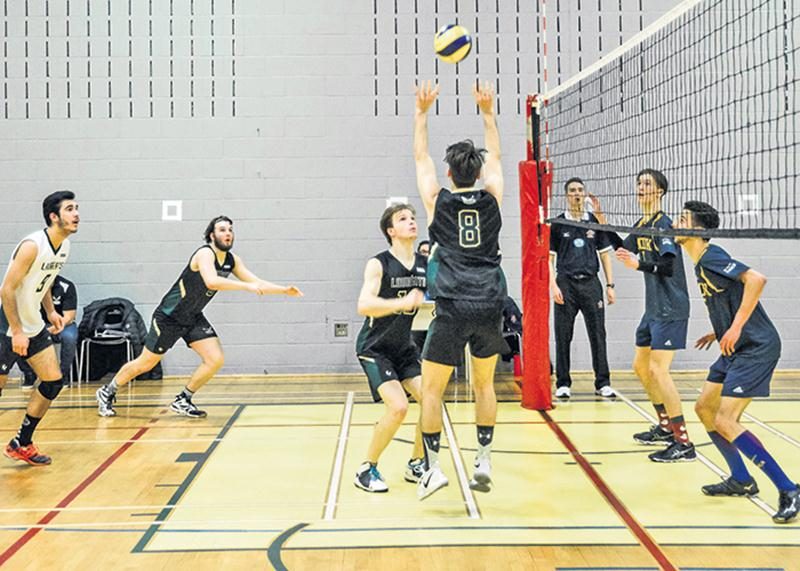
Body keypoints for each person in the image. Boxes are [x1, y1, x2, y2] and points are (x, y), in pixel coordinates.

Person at [95, 216, 303, 418]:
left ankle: (183, 398)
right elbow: (212, 282)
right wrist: (246, 286)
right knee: (145, 364)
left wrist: (283, 290)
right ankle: (108, 391)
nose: (228, 233)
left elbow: (256, 282)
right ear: (212, 235)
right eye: (222, 230)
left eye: (230, 230)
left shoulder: (232, 260)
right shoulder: (205, 254)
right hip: (169, 317)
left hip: (192, 317)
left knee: (215, 359)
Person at [413, 80, 508, 499]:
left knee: (432, 390)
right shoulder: (493, 198)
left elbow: (420, 157)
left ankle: (432, 469)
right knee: (484, 386)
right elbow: (499, 156)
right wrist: (487, 113)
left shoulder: (438, 199)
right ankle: (483, 460)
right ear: (479, 170)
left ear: (450, 172)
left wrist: (422, 111)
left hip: (451, 306)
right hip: (489, 303)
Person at [676, 201, 797, 524]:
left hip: (756, 347)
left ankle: (789, 488)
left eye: (683, 219)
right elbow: (729, 297)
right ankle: (741, 479)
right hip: (734, 347)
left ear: (697, 230)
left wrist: (736, 326)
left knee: (727, 420)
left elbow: (756, 279)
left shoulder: (712, 255)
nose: (676, 223)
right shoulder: (700, 263)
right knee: (704, 409)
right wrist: (720, 331)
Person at [600, 169, 696, 462]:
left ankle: (684, 442)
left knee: (658, 370)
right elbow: (621, 248)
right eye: (639, 183)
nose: (640, 188)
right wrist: (602, 222)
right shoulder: (643, 223)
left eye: (647, 184)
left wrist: (639, 265)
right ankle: (666, 426)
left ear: (660, 192)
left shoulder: (663, 225)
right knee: (641, 367)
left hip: (671, 308)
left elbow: (667, 265)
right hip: (653, 309)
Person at [0, 191, 79, 465]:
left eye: (76, 208)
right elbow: (6, 289)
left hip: (32, 323)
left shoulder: (64, 246)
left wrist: (50, 311)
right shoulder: (32, 245)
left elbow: (44, 280)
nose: (76, 214)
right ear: (53, 216)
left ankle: (21, 442)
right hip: (6, 325)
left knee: (52, 381)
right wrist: (16, 331)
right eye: (70, 209)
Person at [354, 203, 427, 493]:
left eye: (412, 217)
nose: (411, 222)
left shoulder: (423, 263)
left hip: (404, 347)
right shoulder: (379, 263)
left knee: (432, 403)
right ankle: (366, 468)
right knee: (398, 407)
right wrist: (400, 303)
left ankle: (417, 463)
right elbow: (363, 305)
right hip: (374, 347)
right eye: (403, 219)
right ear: (391, 230)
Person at [549, 178, 616, 399]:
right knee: (562, 334)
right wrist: (553, 284)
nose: (577, 194)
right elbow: (548, 258)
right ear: (567, 195)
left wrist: (610, 285)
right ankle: (563, 383)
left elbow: (605, 254)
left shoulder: (592, 221)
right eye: (572, 191)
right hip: (566, 284)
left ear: (584, 194)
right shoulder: (558, 224)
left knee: (598, 334)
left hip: (590, 283)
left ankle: (602, 382)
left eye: (580, 190)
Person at [18, 275, 78, 390]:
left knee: (69, 337)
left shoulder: (66, 286)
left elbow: (69, 316)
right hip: (37, 325)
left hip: (63, 323)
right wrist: (42, 330)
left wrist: (57, 325)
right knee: (18, 337)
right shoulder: (29, 287)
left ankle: (63, 375)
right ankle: (29, 374)